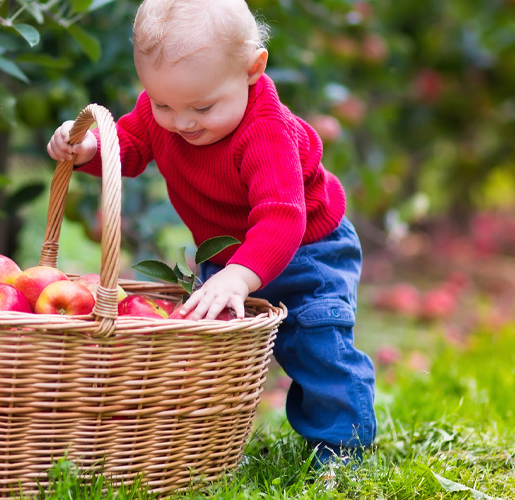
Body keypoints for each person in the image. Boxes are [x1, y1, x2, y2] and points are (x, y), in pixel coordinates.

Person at [46, 0, 376, 470]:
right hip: (230, 256)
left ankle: (344, 450)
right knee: (215, 351)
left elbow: (283, 217)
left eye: (201, 106)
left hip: (308, 251)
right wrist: (88, 149)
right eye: (163, 104)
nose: (181, 122)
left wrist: (238, 277)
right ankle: (210, 441)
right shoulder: (167, 112)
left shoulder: (265, 131)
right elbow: (132, 146)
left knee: (316, 341)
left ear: (251, 70)